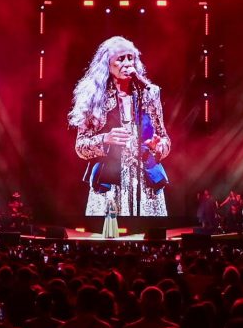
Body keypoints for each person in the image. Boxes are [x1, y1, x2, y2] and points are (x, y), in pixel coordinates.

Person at [69, 36, 171, 217]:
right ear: (107, 64)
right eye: (120, 58)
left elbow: (164, 139)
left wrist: (159, 146)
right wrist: (105, 139)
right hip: (110, 183)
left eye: (130, 58)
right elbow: (80, 147)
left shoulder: (149, 94)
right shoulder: (93, 96)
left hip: (145, 182)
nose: (127, 63)